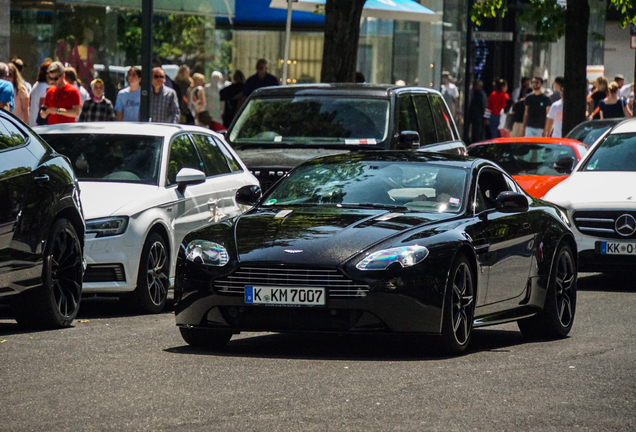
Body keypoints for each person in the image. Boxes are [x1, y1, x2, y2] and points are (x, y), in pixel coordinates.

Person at [29, 61, 52, 126]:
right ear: (47, 74)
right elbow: (42, 108)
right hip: (39, 125)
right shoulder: (45, 88)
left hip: (32, 123)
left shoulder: (36, 85)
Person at [467, 79, 487, 144]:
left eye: (474, 85)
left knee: (477, 135)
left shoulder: (480, 95)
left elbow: (483, 107)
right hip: (476, 119)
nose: (473, 87)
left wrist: (484, 118)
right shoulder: (477, 94)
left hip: (478, 119)